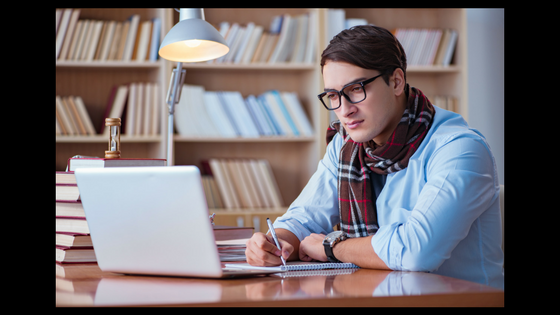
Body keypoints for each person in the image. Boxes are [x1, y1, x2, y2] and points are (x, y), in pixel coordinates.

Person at [245, 25, 504, 289]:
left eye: (356, 89)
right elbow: (303, 218)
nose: (344, 110)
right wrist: (274, 244)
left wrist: (332, 247)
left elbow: (415, 251)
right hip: (375, 294)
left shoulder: (460, 149)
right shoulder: (345, 147)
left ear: (396, 81)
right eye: (333, 96)